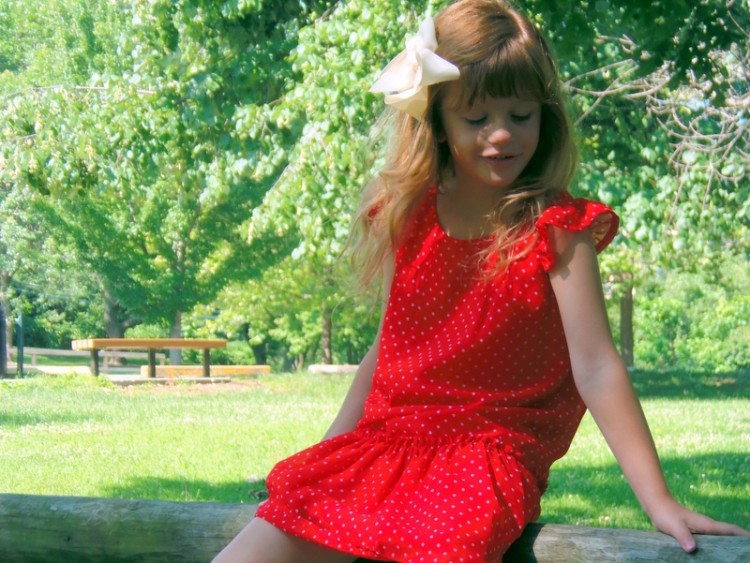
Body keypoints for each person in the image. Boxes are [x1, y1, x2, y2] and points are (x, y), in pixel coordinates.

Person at [213, 1, 749, 561]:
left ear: (546, 117)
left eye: (521, 115)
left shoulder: (558, 231)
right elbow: (387, 349)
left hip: (482, 459)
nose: (502, 135)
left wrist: (658, 500)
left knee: (440, 545)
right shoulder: (408, 214)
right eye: (477, 119)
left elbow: (596, 367)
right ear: (438, 120)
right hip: (386, 445)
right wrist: (330, 455)